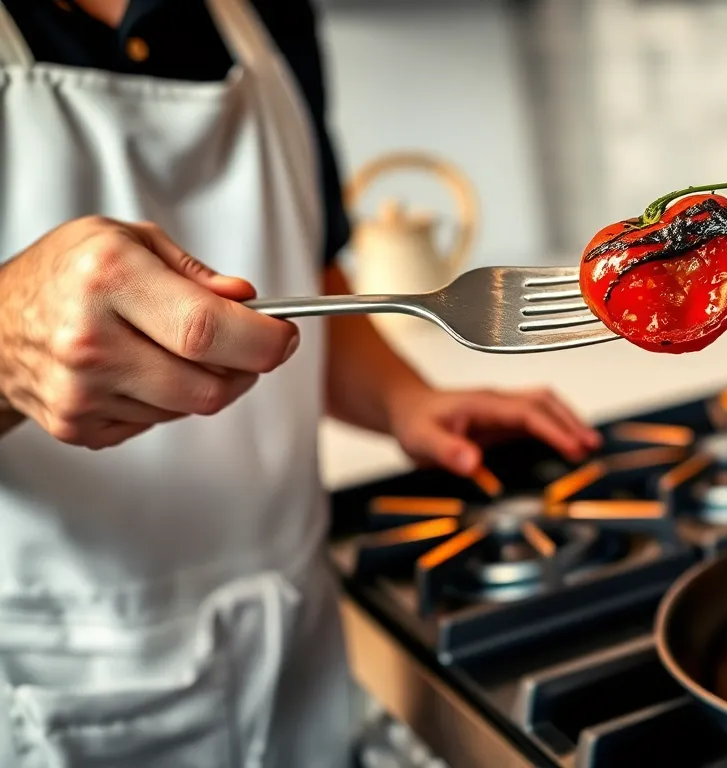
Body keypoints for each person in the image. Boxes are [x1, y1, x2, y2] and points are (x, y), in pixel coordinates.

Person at [0, 0, 601, 765]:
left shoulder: (270, 13)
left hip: (300, 643)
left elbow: (307, 277)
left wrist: (405, 401)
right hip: (58, 675)